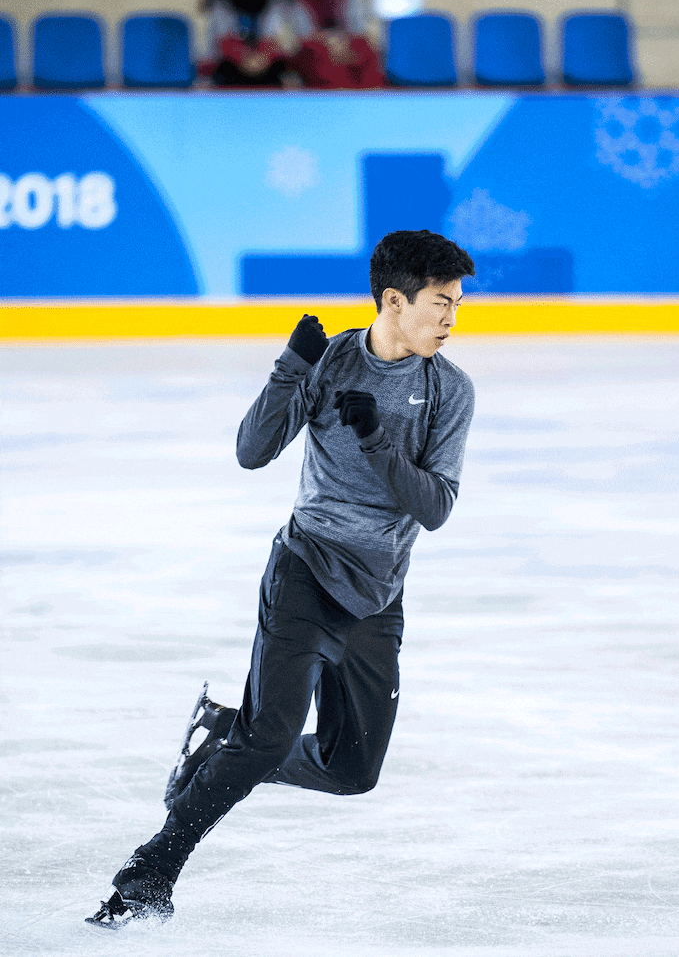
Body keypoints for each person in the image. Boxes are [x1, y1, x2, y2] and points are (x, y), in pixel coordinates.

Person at [86, 229, 475, 927]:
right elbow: (250, 451)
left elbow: (437, 507)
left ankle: (226, 734)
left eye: (456, 304)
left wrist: (380, 444)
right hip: (304, 569)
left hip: (377, 596)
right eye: (441, 303)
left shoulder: (448, 389)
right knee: (270, 739)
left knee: (352, 769)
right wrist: (289, 370)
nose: (453, 318)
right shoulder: (329, 367)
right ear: (394, 300)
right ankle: (148, 874)